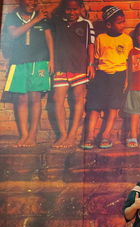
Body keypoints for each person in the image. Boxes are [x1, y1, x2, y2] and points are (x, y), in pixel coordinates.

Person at [3, 0, 54, 147]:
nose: (32, 2)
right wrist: (36, 20)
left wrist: (51, 59)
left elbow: (49, 39)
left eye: (34, 0)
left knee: (35, 98)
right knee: (21, 99)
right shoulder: (12, 17)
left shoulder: (42, 17)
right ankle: (24, 134)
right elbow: (14, 34)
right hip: (18, 62)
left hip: (39, 62)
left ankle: (32, 135)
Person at [81, 6, 132, 149]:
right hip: (101, 75)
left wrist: (126, 80)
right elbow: (96, 58)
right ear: (109, 25)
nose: (123, 25)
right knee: (94, 106)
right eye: (120, 22)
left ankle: (105, 136)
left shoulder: (127, 39)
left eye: (124, 21)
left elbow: (128, 62)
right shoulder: (100, 38)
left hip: (118, 76)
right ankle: (89, 136)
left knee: (113, 107)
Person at [51, 0, 95, 148]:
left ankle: (72, 134)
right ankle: (63, 134)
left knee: (78, 99)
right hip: (60, 67)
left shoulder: (86, 24)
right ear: (63, 9)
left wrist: (90, 64)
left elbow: (91, 45)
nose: (71, 13)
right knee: (57, 99)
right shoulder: (57, 22)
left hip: (79, 67)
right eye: (68, 9)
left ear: (81, 8)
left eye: (75, 9)